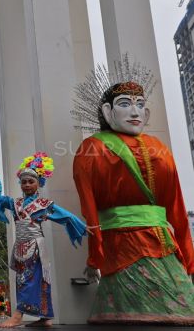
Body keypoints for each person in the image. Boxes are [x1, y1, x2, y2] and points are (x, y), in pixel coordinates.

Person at [73, 79, 194, 324]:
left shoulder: (157, 148)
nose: (135, 111)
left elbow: (177, 208)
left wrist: (94, 259)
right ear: (108, 111)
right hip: (125, 247)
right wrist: (189, 262)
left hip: (152, 245)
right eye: (125, 104)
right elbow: (90, 212)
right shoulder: (93, 149)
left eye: (140, 104)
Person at [0, 152, 87, 328]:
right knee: (31, 280)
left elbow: (66, 216)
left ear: (38, 183)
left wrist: (86, 227)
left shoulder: (43, 204)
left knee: (30, 280)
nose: (27, 185)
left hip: (35, 247)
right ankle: (45, 317)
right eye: (24, 182)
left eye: (31, 181)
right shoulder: (15, 203)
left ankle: (18, 315)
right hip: (20, 246)